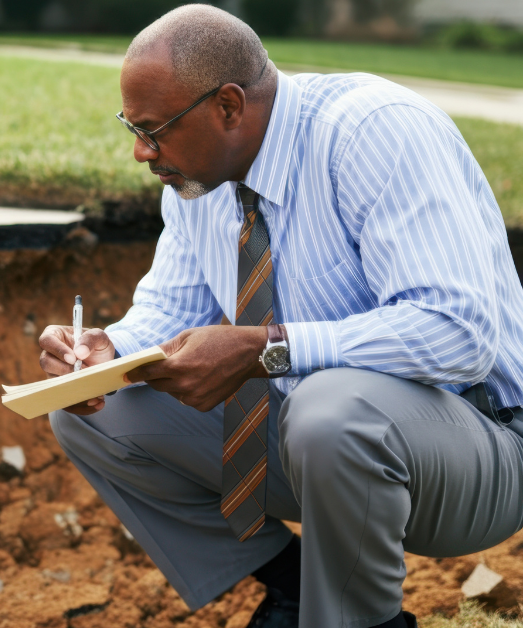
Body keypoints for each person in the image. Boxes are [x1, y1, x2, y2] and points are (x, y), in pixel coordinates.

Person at [38, 5, 523, 628]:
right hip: (323, 451)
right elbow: (169, 311)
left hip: (479, 450)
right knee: (93, 413)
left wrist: (265, 347)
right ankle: (294, 590)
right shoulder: (195, 180)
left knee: (331, 408)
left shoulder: (377, 132)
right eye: (131, 128)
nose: (140, 152)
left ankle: (362, 620)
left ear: (229, 107)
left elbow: (457, 333)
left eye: (153, 130)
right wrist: (103, 354)